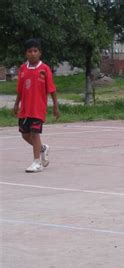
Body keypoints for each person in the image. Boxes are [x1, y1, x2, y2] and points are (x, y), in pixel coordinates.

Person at [12, 38, 60, 173]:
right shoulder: (22, 69)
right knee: (25, 135)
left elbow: (52, 89)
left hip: (38, 109)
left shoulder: (44, 69)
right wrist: (16, 104)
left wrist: (55, 106)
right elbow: (20, 90)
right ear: (25, 53)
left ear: (40, 53)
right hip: (25, 109)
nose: (32, 53)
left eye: (35, 51)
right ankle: (42, 148)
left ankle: (36, 162)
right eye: (29, 51)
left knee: (34, 133)